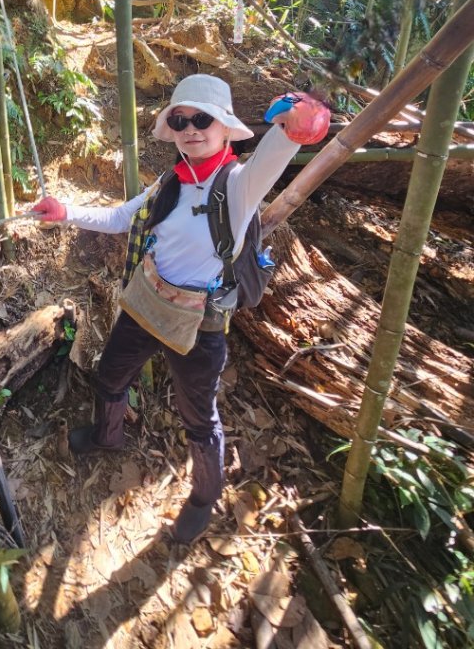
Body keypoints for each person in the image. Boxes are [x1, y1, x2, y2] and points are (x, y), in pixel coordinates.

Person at [33, 74, 330, 543]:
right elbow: (119, 218)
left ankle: (203, 498)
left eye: (202, 119)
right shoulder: (172, 180)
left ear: (224, 128)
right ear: (171, 128)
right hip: (148, 302)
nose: (191, 128)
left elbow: (290, 142)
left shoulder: (237, 184)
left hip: (202, 323)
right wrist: (64, 211)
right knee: (110, 374)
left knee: (199, 417)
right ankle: (107, 437)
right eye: (180, 119)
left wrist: (297, 119)